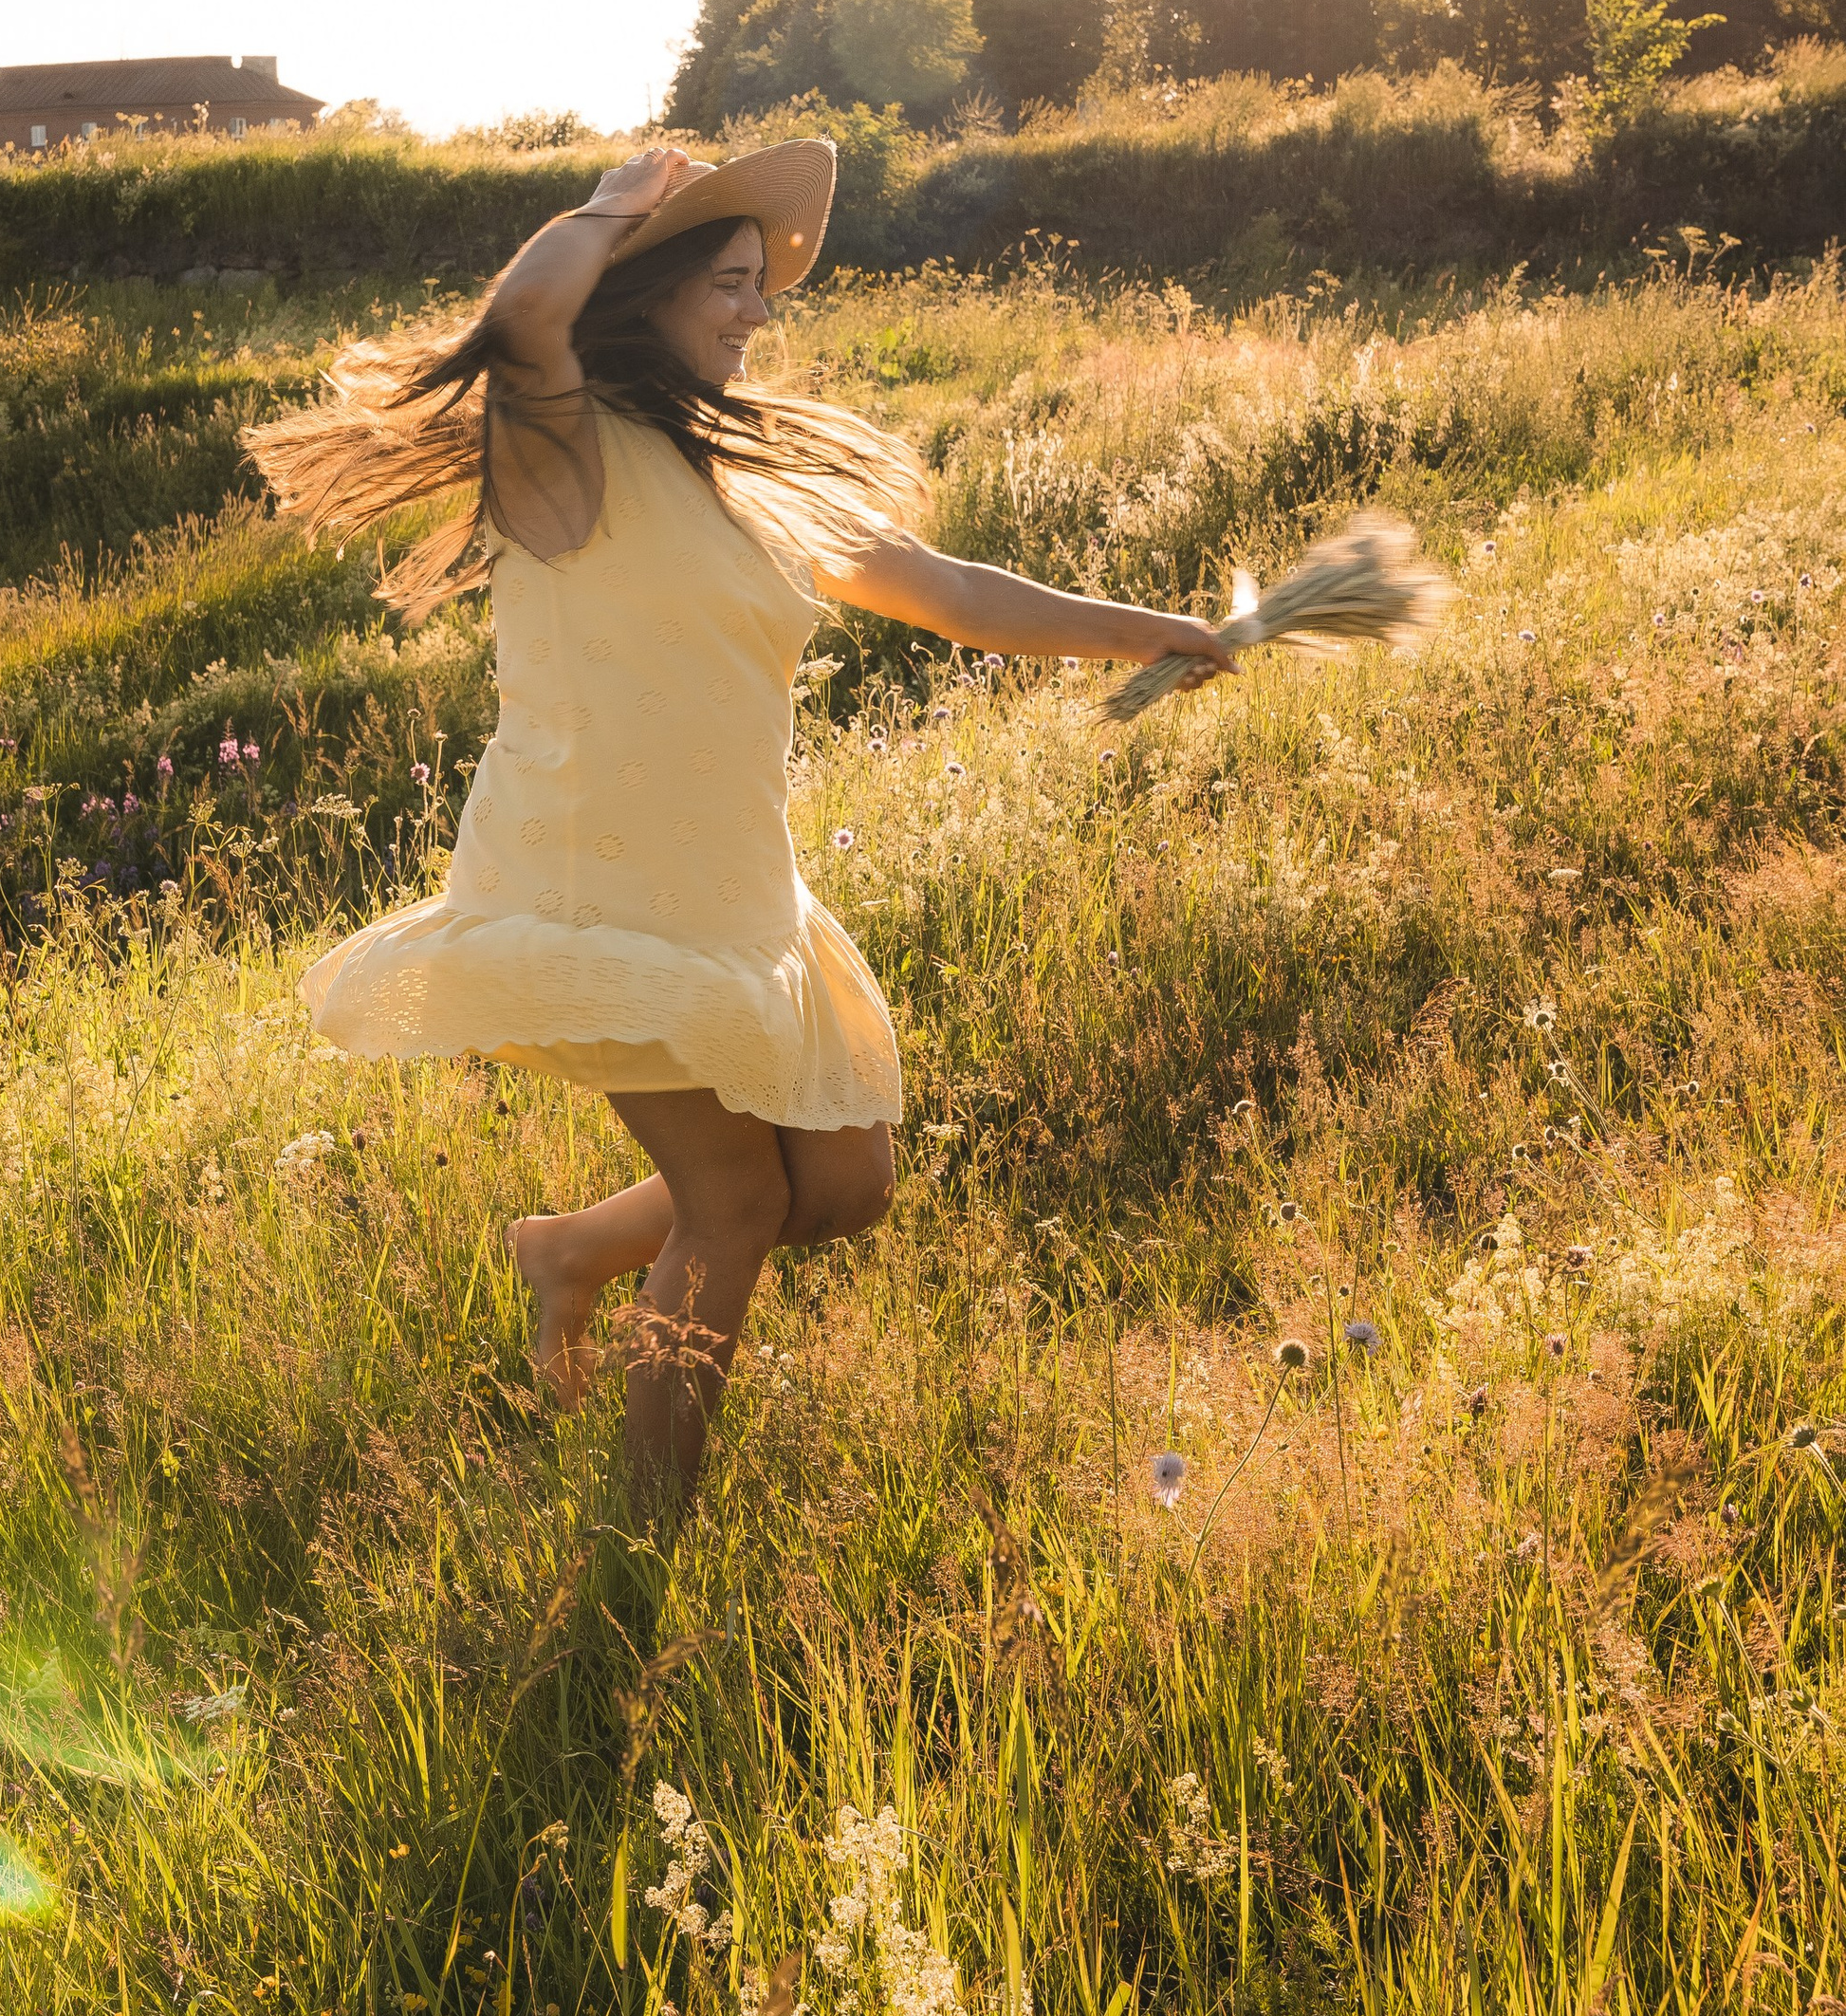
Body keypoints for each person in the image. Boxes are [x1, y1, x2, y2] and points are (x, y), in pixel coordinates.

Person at [248, 138, 1233, 1497]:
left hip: (732, 888)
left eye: (764, 286)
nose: (758, 312)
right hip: (597, 886)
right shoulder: (563, 451)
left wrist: (1159, 630)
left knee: (841, 1188)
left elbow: (949, 593)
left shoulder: (749, 484)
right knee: (738, 1204)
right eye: (729, 280)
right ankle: (639, 1541)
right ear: (643, 286)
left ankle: (573, 1248)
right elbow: (526, 317)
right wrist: (607, 205)